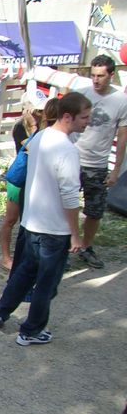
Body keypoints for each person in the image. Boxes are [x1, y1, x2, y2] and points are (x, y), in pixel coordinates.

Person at [0, 92, 91, 346]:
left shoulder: (40, 136)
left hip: (31, 222)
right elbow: (70, 197)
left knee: (24, 272)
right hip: (54, 228)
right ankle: (31, 331)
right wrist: (75, 234)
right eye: (84, 117)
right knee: (47, 282)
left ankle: (0, 313)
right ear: (68, 116)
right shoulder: (67, 150)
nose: (88, 122)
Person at [73, 54, 127, 269]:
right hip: (73, 158)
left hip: (97, 163)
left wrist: (116, 170)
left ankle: (86, 247)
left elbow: (122, 137)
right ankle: (64, 245)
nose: (96, 80)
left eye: (101, 76)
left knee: (94, 211)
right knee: (64, 206)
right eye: (93, 75)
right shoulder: (81, 94)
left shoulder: (121, 101)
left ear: (111, 75)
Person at [0, 91, 46, 271]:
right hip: (19, 178)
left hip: (36, 179)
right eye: (35, 110)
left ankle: (30, 257)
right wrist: (33, 126)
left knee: (31, 221)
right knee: (11, 219)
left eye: (41, 110)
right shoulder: (20, 127)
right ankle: (6, 257)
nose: (38, 114)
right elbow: (34, 147)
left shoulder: (45, 127)